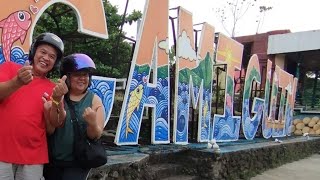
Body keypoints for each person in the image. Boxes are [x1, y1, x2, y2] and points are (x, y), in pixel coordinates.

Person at [0, 32, 67, 180]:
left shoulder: (53, 88)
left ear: (55, 63)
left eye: (52, 56)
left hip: (34, 157)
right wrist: (17, 82)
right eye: (43, 52)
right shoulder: (10, 68)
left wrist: (57, 100)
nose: (46, 58)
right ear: (33, 52)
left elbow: (55, 124)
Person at [44, 53, 105, 180]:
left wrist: (92, 123)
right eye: (77, 74)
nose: (82, 78)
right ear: (67, 77)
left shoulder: (95, 100)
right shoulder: (57, 95)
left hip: (78, 163)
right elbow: (51, 128)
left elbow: (95, 135)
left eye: (85, 75)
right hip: (54, 161)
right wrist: (55, 102)